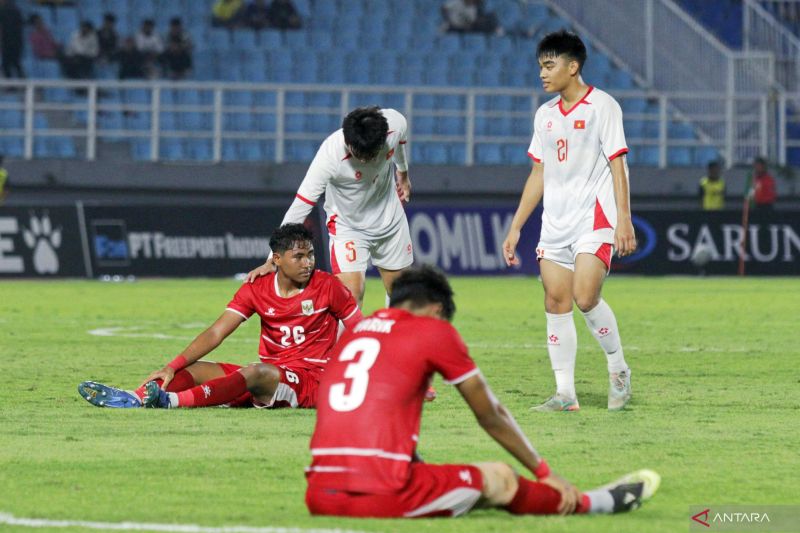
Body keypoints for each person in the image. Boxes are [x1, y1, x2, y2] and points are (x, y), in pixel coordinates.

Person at [306, 265, 660, 518]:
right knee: (501, 478)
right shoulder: (432, 330)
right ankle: (594, 503)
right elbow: (489, 414)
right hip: (379, 495)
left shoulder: (354, 335)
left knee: (437, 474)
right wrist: (542, 470)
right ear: (437, 310)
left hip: (319, 492)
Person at [78, 223, 362, 410]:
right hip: (270, 374)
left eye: (311, 255)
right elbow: (216, 332)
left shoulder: (328, 286)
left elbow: (361, 331)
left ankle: (170, 402)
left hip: (311, 381)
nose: (308, 263)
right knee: (196, 370)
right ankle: (135, 397)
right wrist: (171, 366)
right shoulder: (257, 287)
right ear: (276, 260)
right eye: (298, 256)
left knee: (255, 371)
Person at [502, 30, 636, 412]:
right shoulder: (544, 115)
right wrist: (516, 227)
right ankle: (565, 395)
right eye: (540, 66)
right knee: (556, 301)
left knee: (585, 296)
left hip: (595, 216)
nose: (542, 74)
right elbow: (538, 173)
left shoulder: (602, 106)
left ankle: (618, 367)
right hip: (555, 221)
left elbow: (617, 164)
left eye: (550, 65)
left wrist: (623, 219)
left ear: (572, 67)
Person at [247, 107, 413, 310]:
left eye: (370, 155)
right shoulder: (330, 156)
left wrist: (402, 173)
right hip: (348, 226)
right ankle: (350, 342)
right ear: (348, 141)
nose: (364, 160)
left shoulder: (395, 124)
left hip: (390, 219)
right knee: (351, 294)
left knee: (402, 295)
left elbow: (401, 142)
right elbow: (300, 207)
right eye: (358, 154)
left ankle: (391, 339)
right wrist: (272, 258)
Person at [0, 0, 25, 78]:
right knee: (15, 63)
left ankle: (12, 85)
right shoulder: (16, 9)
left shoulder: (3, 10)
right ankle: (23, 82)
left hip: (8, 41)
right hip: (17, 42)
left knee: (8, 64)